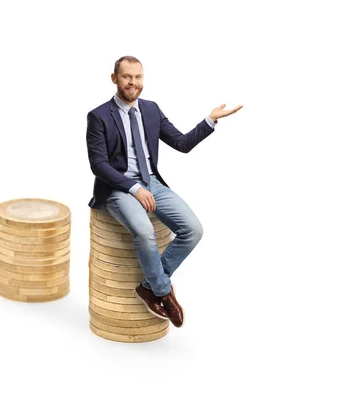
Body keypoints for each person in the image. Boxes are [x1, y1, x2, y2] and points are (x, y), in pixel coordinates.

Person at [86, 55, 242, 327]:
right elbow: (98, 165)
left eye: (138, 77)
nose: (133, 83)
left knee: (193, 230)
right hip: (117, 188)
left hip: (153, 183)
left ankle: (150, 285)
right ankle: (162, 292)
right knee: (145, 231)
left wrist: (210, 120)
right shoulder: (98, 116)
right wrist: (133, 188)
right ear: (114, 79)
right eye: (126, 77)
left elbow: (181, 143)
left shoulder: (151, 109)